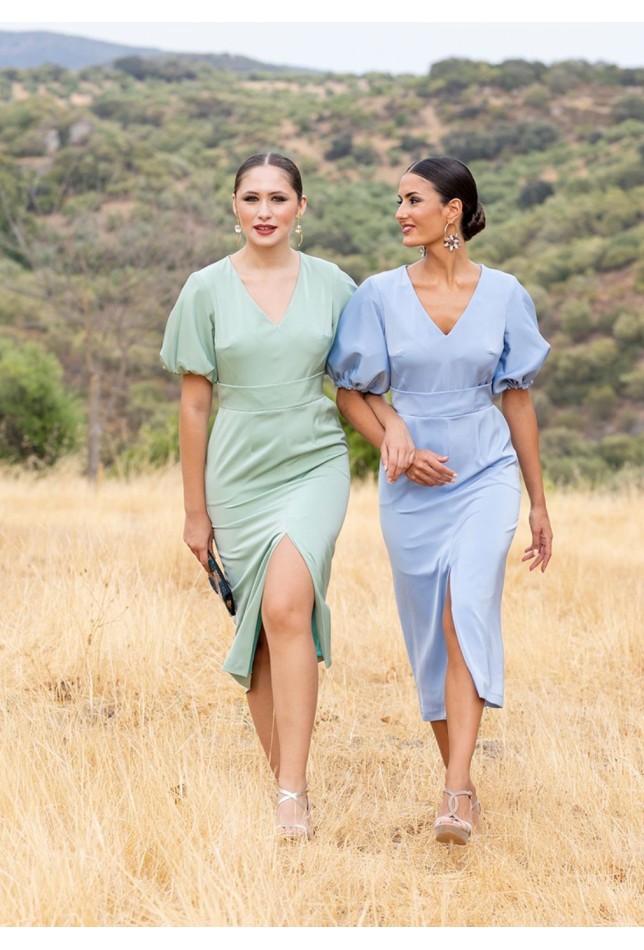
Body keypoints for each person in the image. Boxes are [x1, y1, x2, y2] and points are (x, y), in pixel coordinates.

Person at [327, 156, 552, 845]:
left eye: (413, 199)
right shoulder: (377, 294)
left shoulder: (507, 293)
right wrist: (392, 429)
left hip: (486, 473)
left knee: (464, 612)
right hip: (411, 485)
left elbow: (516, 398)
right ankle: (463, 782)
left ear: (451, 210)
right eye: (399, 200)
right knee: (430, 634)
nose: (400, 212)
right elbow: (350, 389)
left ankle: (455, 791)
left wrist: (539, 501)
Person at [160, 152, 356, 839]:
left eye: (279, 197)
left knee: (286, 605)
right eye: (252, 197)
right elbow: (192, 407)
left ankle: (292, 794)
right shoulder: (204, 289)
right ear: (234, 207)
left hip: (313, 459)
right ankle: (288, 789)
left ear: (302, 207)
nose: (265, 210)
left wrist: (399, 435)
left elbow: (358, 385)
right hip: (236, 473)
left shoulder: (335, 285)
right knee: (262, 637)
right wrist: (194, 512)